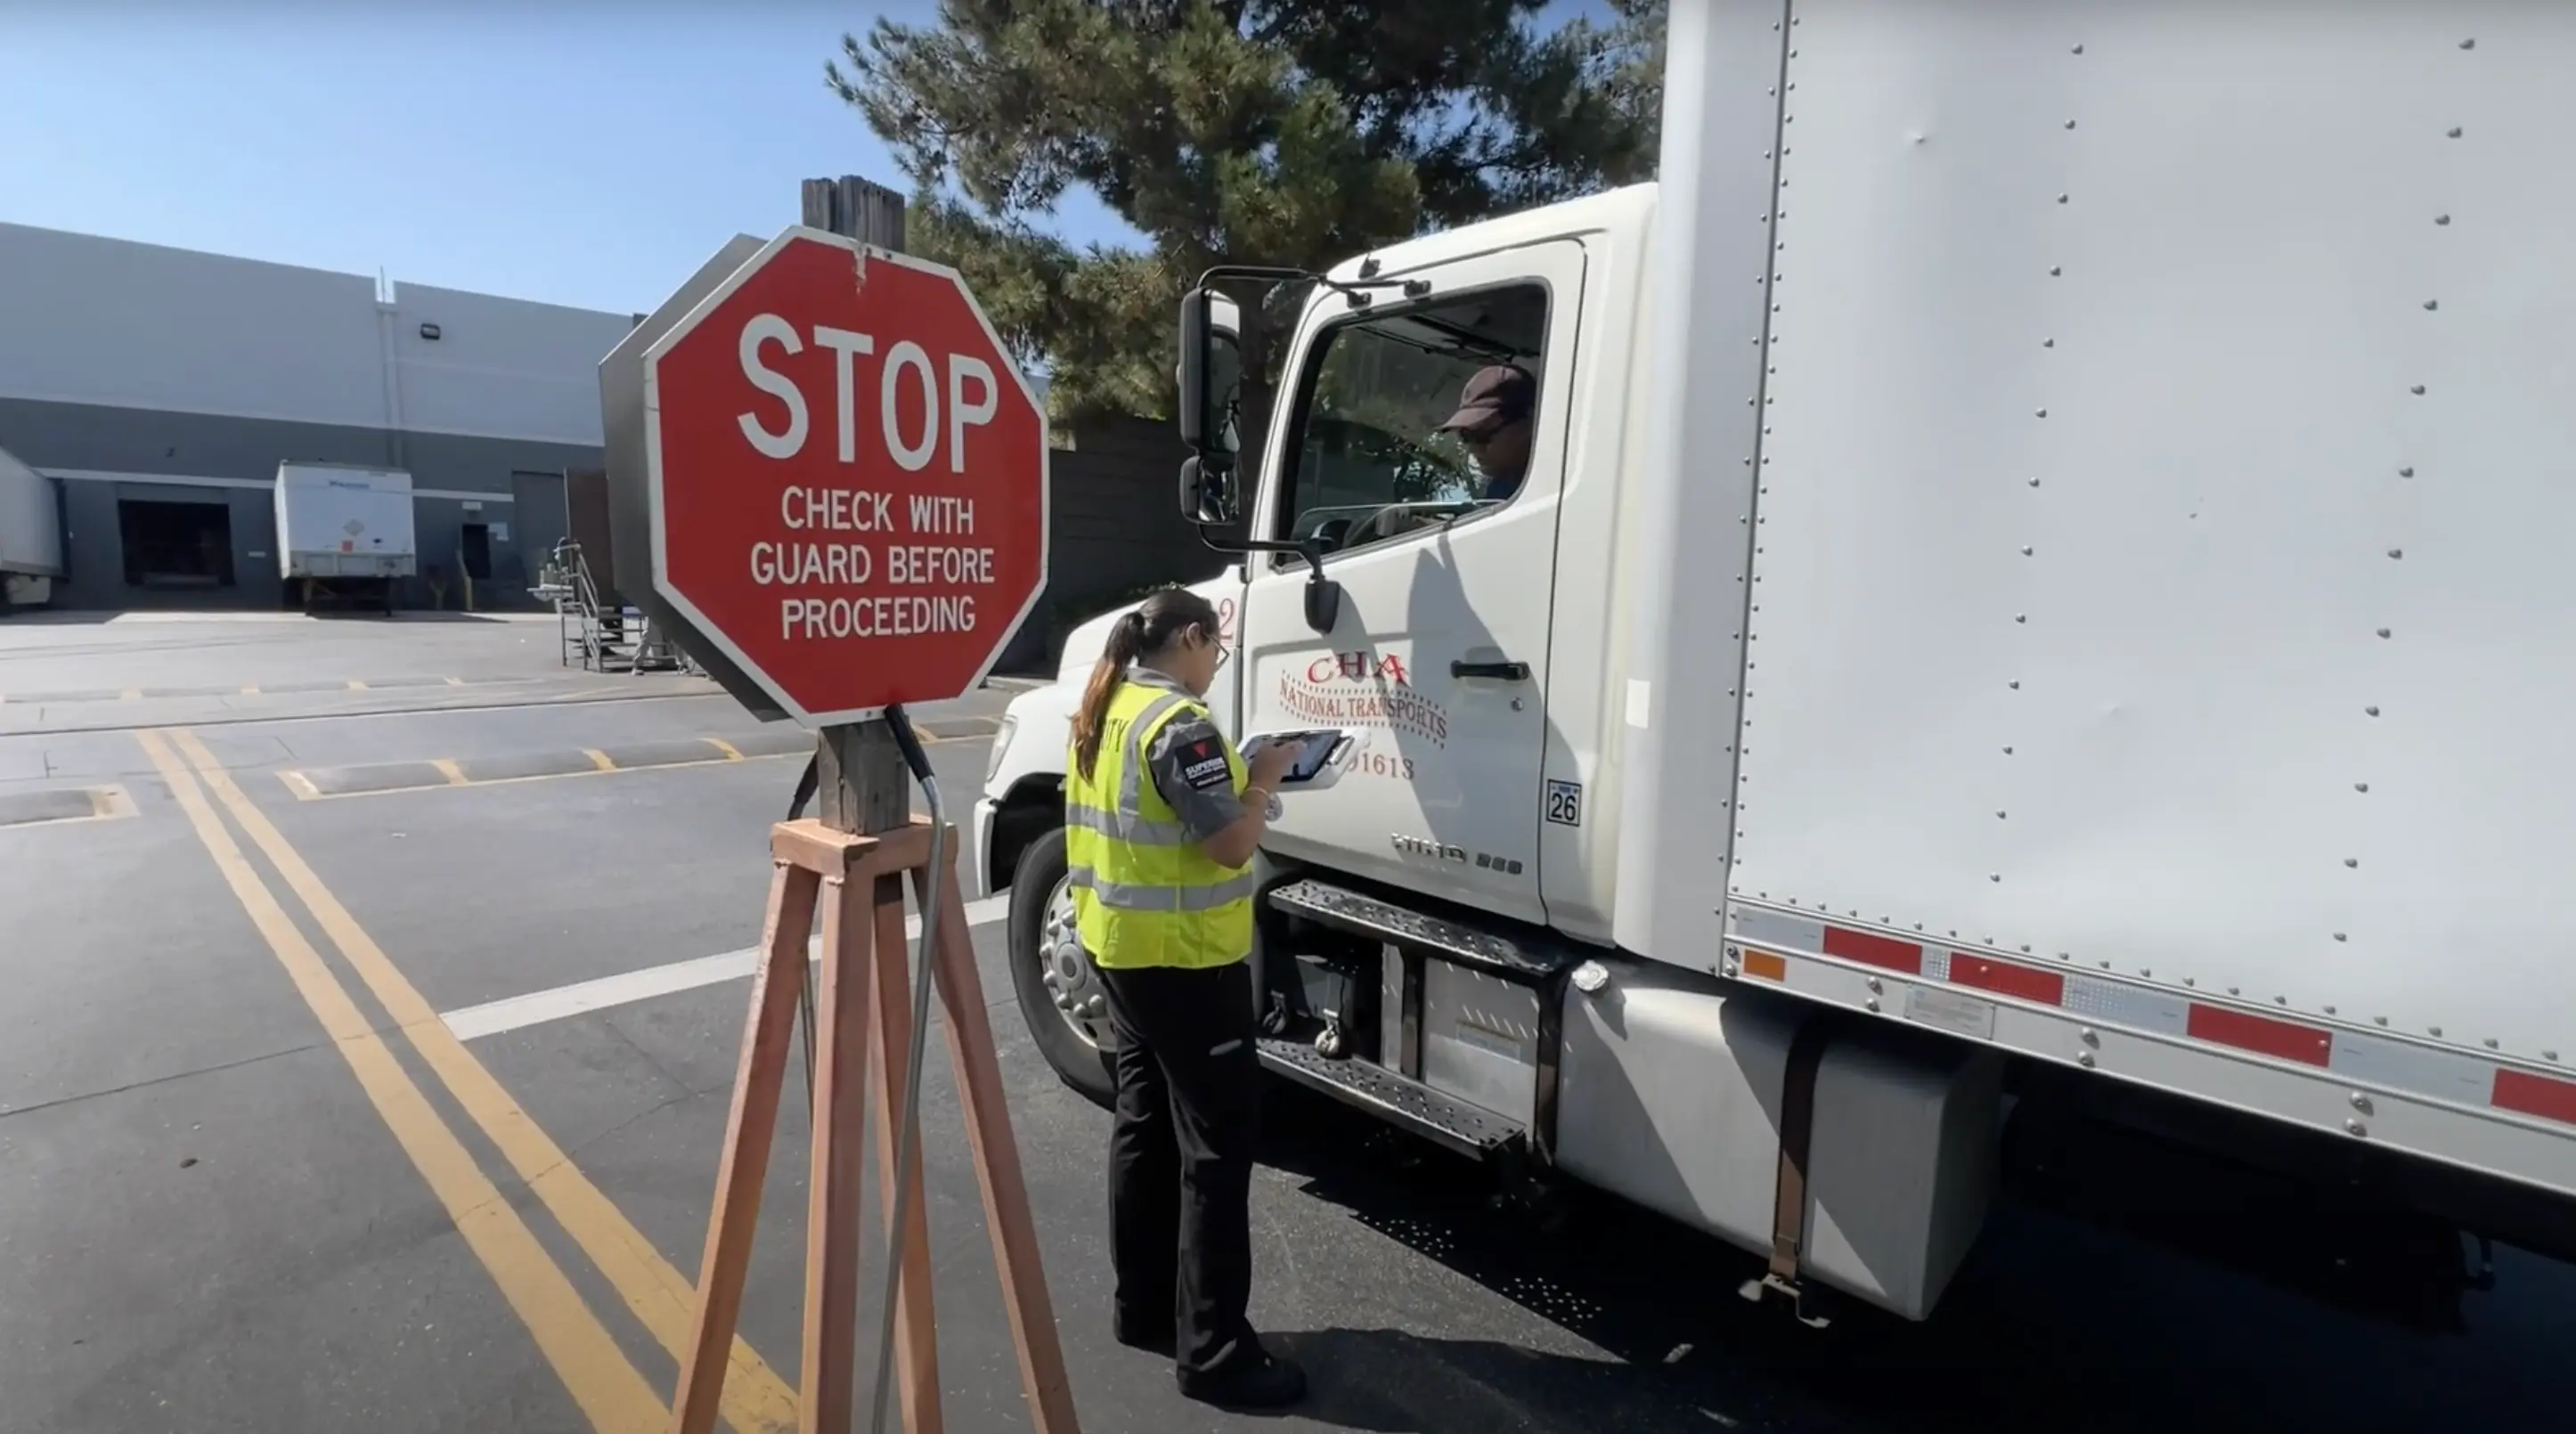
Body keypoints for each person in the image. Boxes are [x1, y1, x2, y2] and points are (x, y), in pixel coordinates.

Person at [1064, 586, 1307, 1409]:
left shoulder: (1108, 707)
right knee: (1216, 1151)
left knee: (1144, 1124)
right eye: (1217, 652)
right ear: (1195, 638)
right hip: (1187, 966)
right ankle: (1215, 1354)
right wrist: (1265, 779)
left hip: (1121, 952)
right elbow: (1231, 847)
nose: (1215, 667)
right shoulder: (1180, 726)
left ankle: (1144, 1309)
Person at [1434, 362, 1537, 501]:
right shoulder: (1499, 489)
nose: (1473, 448)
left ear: (1530, 421)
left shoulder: (1563, 482)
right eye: (1466, 436)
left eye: (1482, 435)